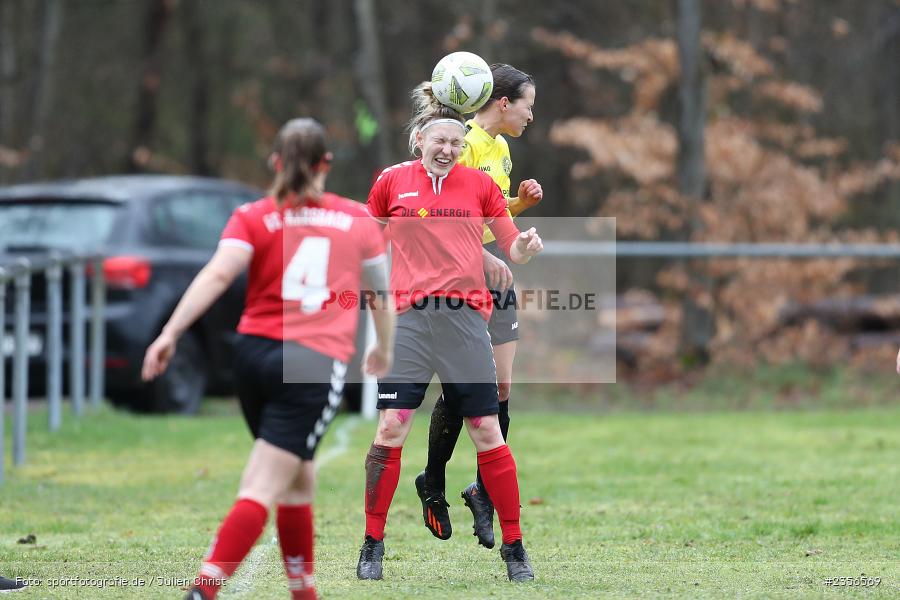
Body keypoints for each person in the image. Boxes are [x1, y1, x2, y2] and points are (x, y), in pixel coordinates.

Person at [141, 118, 395, 600]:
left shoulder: (253, 215)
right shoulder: (356, 219)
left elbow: (217, 276)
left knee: (299, 475)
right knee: (262, 485)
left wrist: (170, 332)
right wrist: (383, 347)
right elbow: (381, 296)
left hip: (252, 358)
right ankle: (204, 589)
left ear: (276, 163)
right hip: (311, 364)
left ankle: (304, 592)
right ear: (326, 164)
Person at [356, 81, 543, 583]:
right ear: (420, 139)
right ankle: (372, 545)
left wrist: (525, 244)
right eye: (439, 141)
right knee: (392, 426)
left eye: (455, 144)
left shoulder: (479, 186)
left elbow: (512, 247)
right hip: (410, 322)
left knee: (487, 429)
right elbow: (367, 243)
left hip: (464, 320)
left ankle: (515, 548)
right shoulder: (391, 182)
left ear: (463, 148)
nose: (447, 149)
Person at [415, 63, 540, 551]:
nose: (532, 115)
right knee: (468, 389)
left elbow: (489, 214)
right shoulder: (458, 143)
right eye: (529, 104)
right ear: (504, 102)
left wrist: (520, 211)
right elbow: (441, 218)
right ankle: (433, 479)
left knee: (501, 388)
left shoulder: (501, 148)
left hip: (495, 274)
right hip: (458, 279)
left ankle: (481, 491)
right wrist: (481, 257)